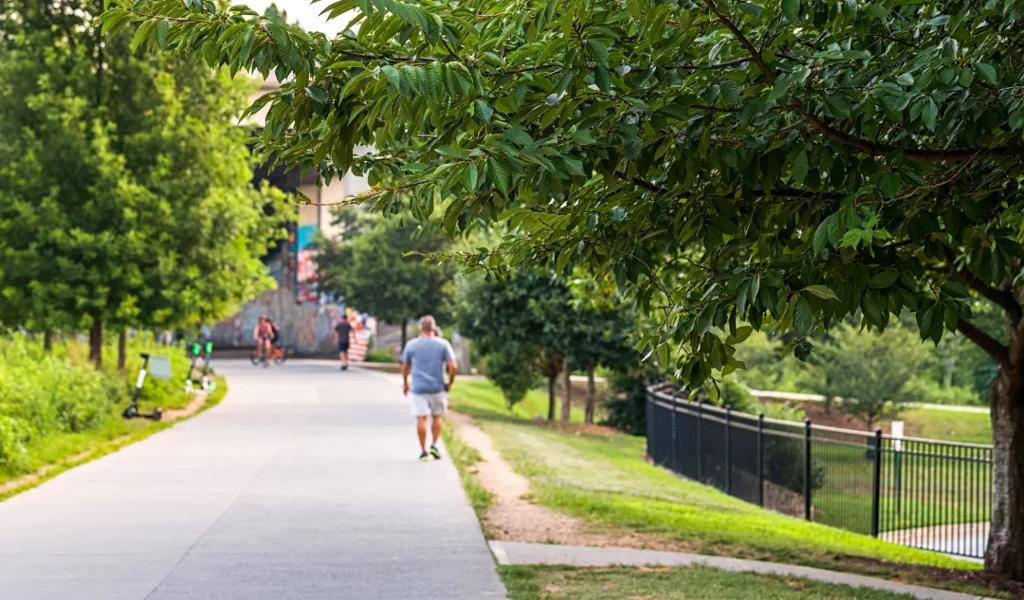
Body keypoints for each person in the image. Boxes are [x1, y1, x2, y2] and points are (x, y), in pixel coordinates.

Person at [401, 315, 457, 462]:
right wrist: (450, 382)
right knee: (437, 416)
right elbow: (453, 366)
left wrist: (405, 383)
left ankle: (423, 451)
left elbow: (405, 366)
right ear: (434, 327)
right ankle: (434, 444)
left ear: (421, 327)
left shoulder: (411, 345)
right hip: (437, 387)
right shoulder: (443, 344)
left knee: (421, 418)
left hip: (418, 388)